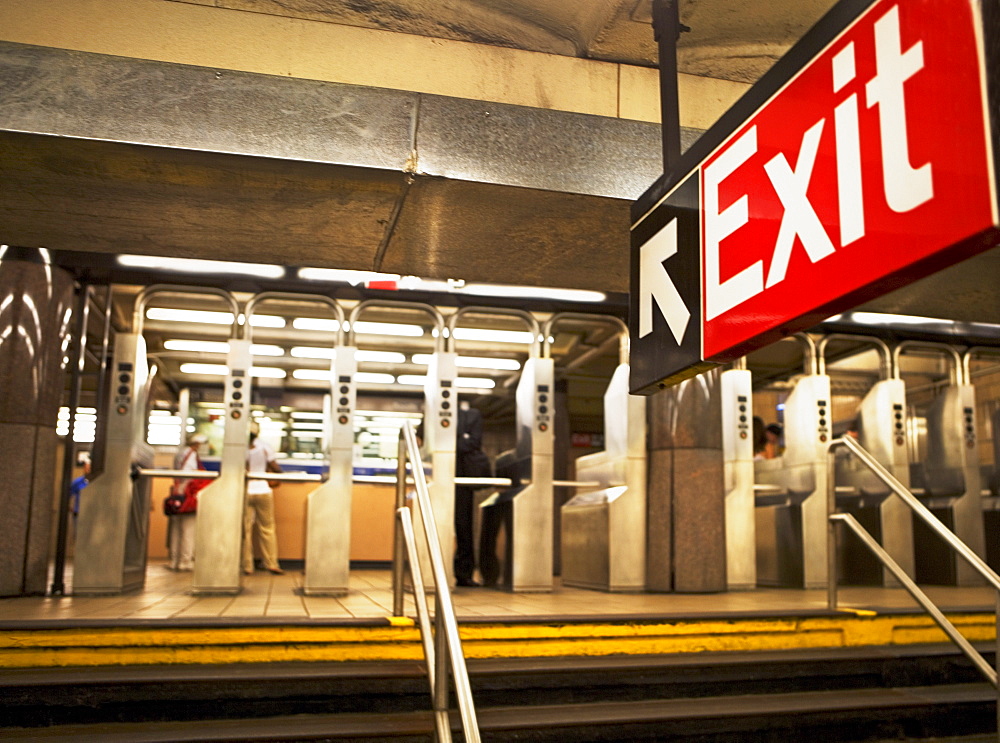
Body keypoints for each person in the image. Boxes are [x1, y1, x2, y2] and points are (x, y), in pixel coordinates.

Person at [454, 401, 489, 587]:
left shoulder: (472, 415)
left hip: (461, 479)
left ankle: (464, 573)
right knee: (461, 525)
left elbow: (474, 442)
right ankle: (462, 573)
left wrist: (455, 440)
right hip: (442, 476)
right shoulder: (432, 413)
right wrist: (461, 438)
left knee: (463, 525)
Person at [244, 426, 284, 575]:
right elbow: (277, 469)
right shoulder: (265, 447)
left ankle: (247, 566)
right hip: (263, 490)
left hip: (246, 490)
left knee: (245, 530)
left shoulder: (240, 448)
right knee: (267, 528)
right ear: (257, 433)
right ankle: (271, 563)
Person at [168, 434, 205, 571]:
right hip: (187, 493)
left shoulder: (179, 454)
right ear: (196, 444)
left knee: (176, 528)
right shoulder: (192, 455)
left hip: (176, 491)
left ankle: (174, 559)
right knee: (188, 528)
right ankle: (186, 560)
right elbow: (191, 474)